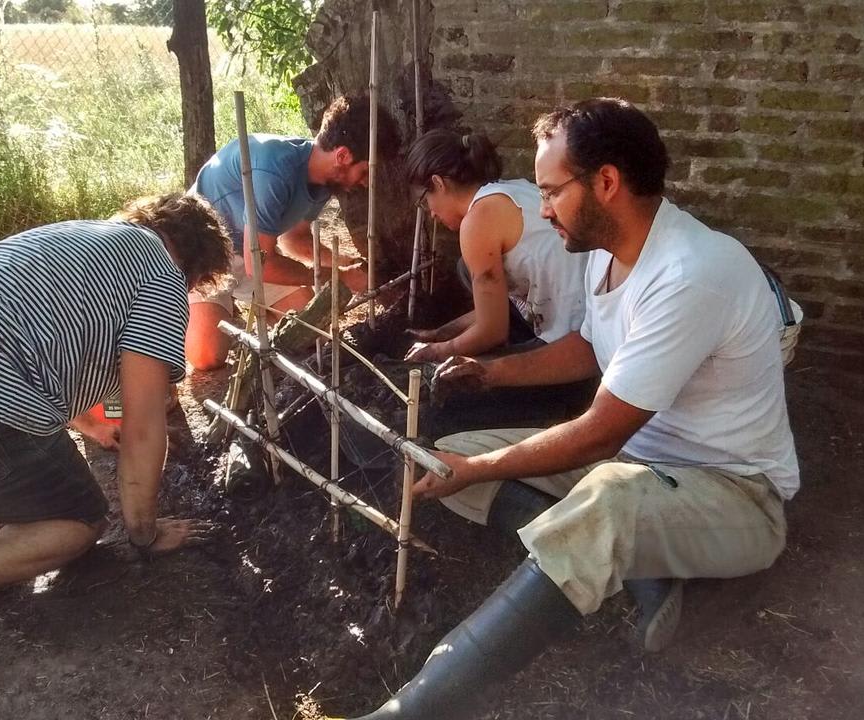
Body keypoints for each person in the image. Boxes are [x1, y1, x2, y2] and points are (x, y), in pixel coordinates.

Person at [341, 98, 799, 720]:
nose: (544, 208)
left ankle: (416, 708)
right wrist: (492, 372)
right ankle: (635, 564)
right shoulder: (605, 253)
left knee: (594, 497)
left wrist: (484, 470)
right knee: (452, 461)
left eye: (553, 191)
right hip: (641, 468)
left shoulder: (692, 274)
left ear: (606, 183)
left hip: (735, 494)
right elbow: (589, 346)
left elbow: (598, 437)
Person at [0, 193, 231, 664]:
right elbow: (144, 423)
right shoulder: (161, 273)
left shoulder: (76, 236)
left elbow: (40, 348)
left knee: (6, 495)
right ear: (194, 266)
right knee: (78, 518)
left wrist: (92, 425)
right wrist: (143, 531)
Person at [186, 95, 401, 370]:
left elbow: (293, 240)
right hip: (209, 256)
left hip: (254, 255)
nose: (366, 182)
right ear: (343, 156)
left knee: (309, 328)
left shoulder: (324, 181)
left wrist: (343, 263)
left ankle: (238, 307)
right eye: (365, 171)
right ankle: (195, 305)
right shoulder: (276, 170)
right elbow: (259, 266)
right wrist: (340, 279)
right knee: (208, 357)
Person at [403, 129, 587, 361]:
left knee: (463, 386)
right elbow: (499, 308)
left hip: (575, 338)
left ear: (438, 183)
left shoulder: (478, 221)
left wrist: (437, 352)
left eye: (425, 201)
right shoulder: (511, 188)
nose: (431, 213)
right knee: (465, 267)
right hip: (578, 312)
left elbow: (492, 332)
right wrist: (443, 333)